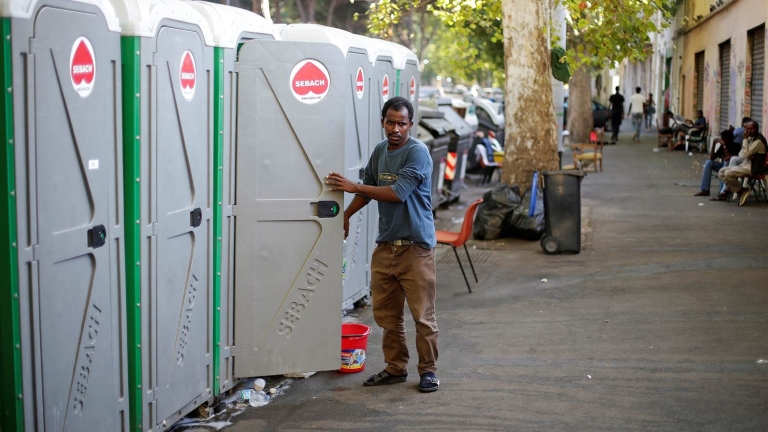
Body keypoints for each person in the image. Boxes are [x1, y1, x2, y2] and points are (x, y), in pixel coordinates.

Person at [325, 96, 440, 393]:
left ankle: (428, 371)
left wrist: (354, 185)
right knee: (387, 316)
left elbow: (398, 192)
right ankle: (395, 367)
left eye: (402, 123)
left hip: (416, 248)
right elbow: (369, 190)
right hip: (386, 246)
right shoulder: (380, 151)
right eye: (391, 122)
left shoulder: (418, 154)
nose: (396, 128)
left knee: (422, 317)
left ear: (411, 125)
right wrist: (347, 215)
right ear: (383, 123)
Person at [717, 121, 768, 206]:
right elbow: (741, 155)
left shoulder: (758, 141)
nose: (748, 131)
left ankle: (740, 190)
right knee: (721, 172)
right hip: (745, 165)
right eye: (747, 129)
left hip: (753, 168)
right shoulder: (750, 138)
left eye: (751, 129)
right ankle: (741, 190)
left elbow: (744, 154)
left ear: (757, 129)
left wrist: (745, 140)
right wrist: (748, 154)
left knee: (728, 173)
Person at [694, 129, 739, 196]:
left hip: (732, 168)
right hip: (723, 166)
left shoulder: (736, 146)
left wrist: (724, 145)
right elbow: (712, 158)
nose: (721, 140)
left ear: (727, 139)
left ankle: (722, 192)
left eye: (723, 139)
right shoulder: (722, 146)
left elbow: (728, 159)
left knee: (725, 163)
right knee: (708, 162)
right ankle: (705, 189)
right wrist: (714, 145)